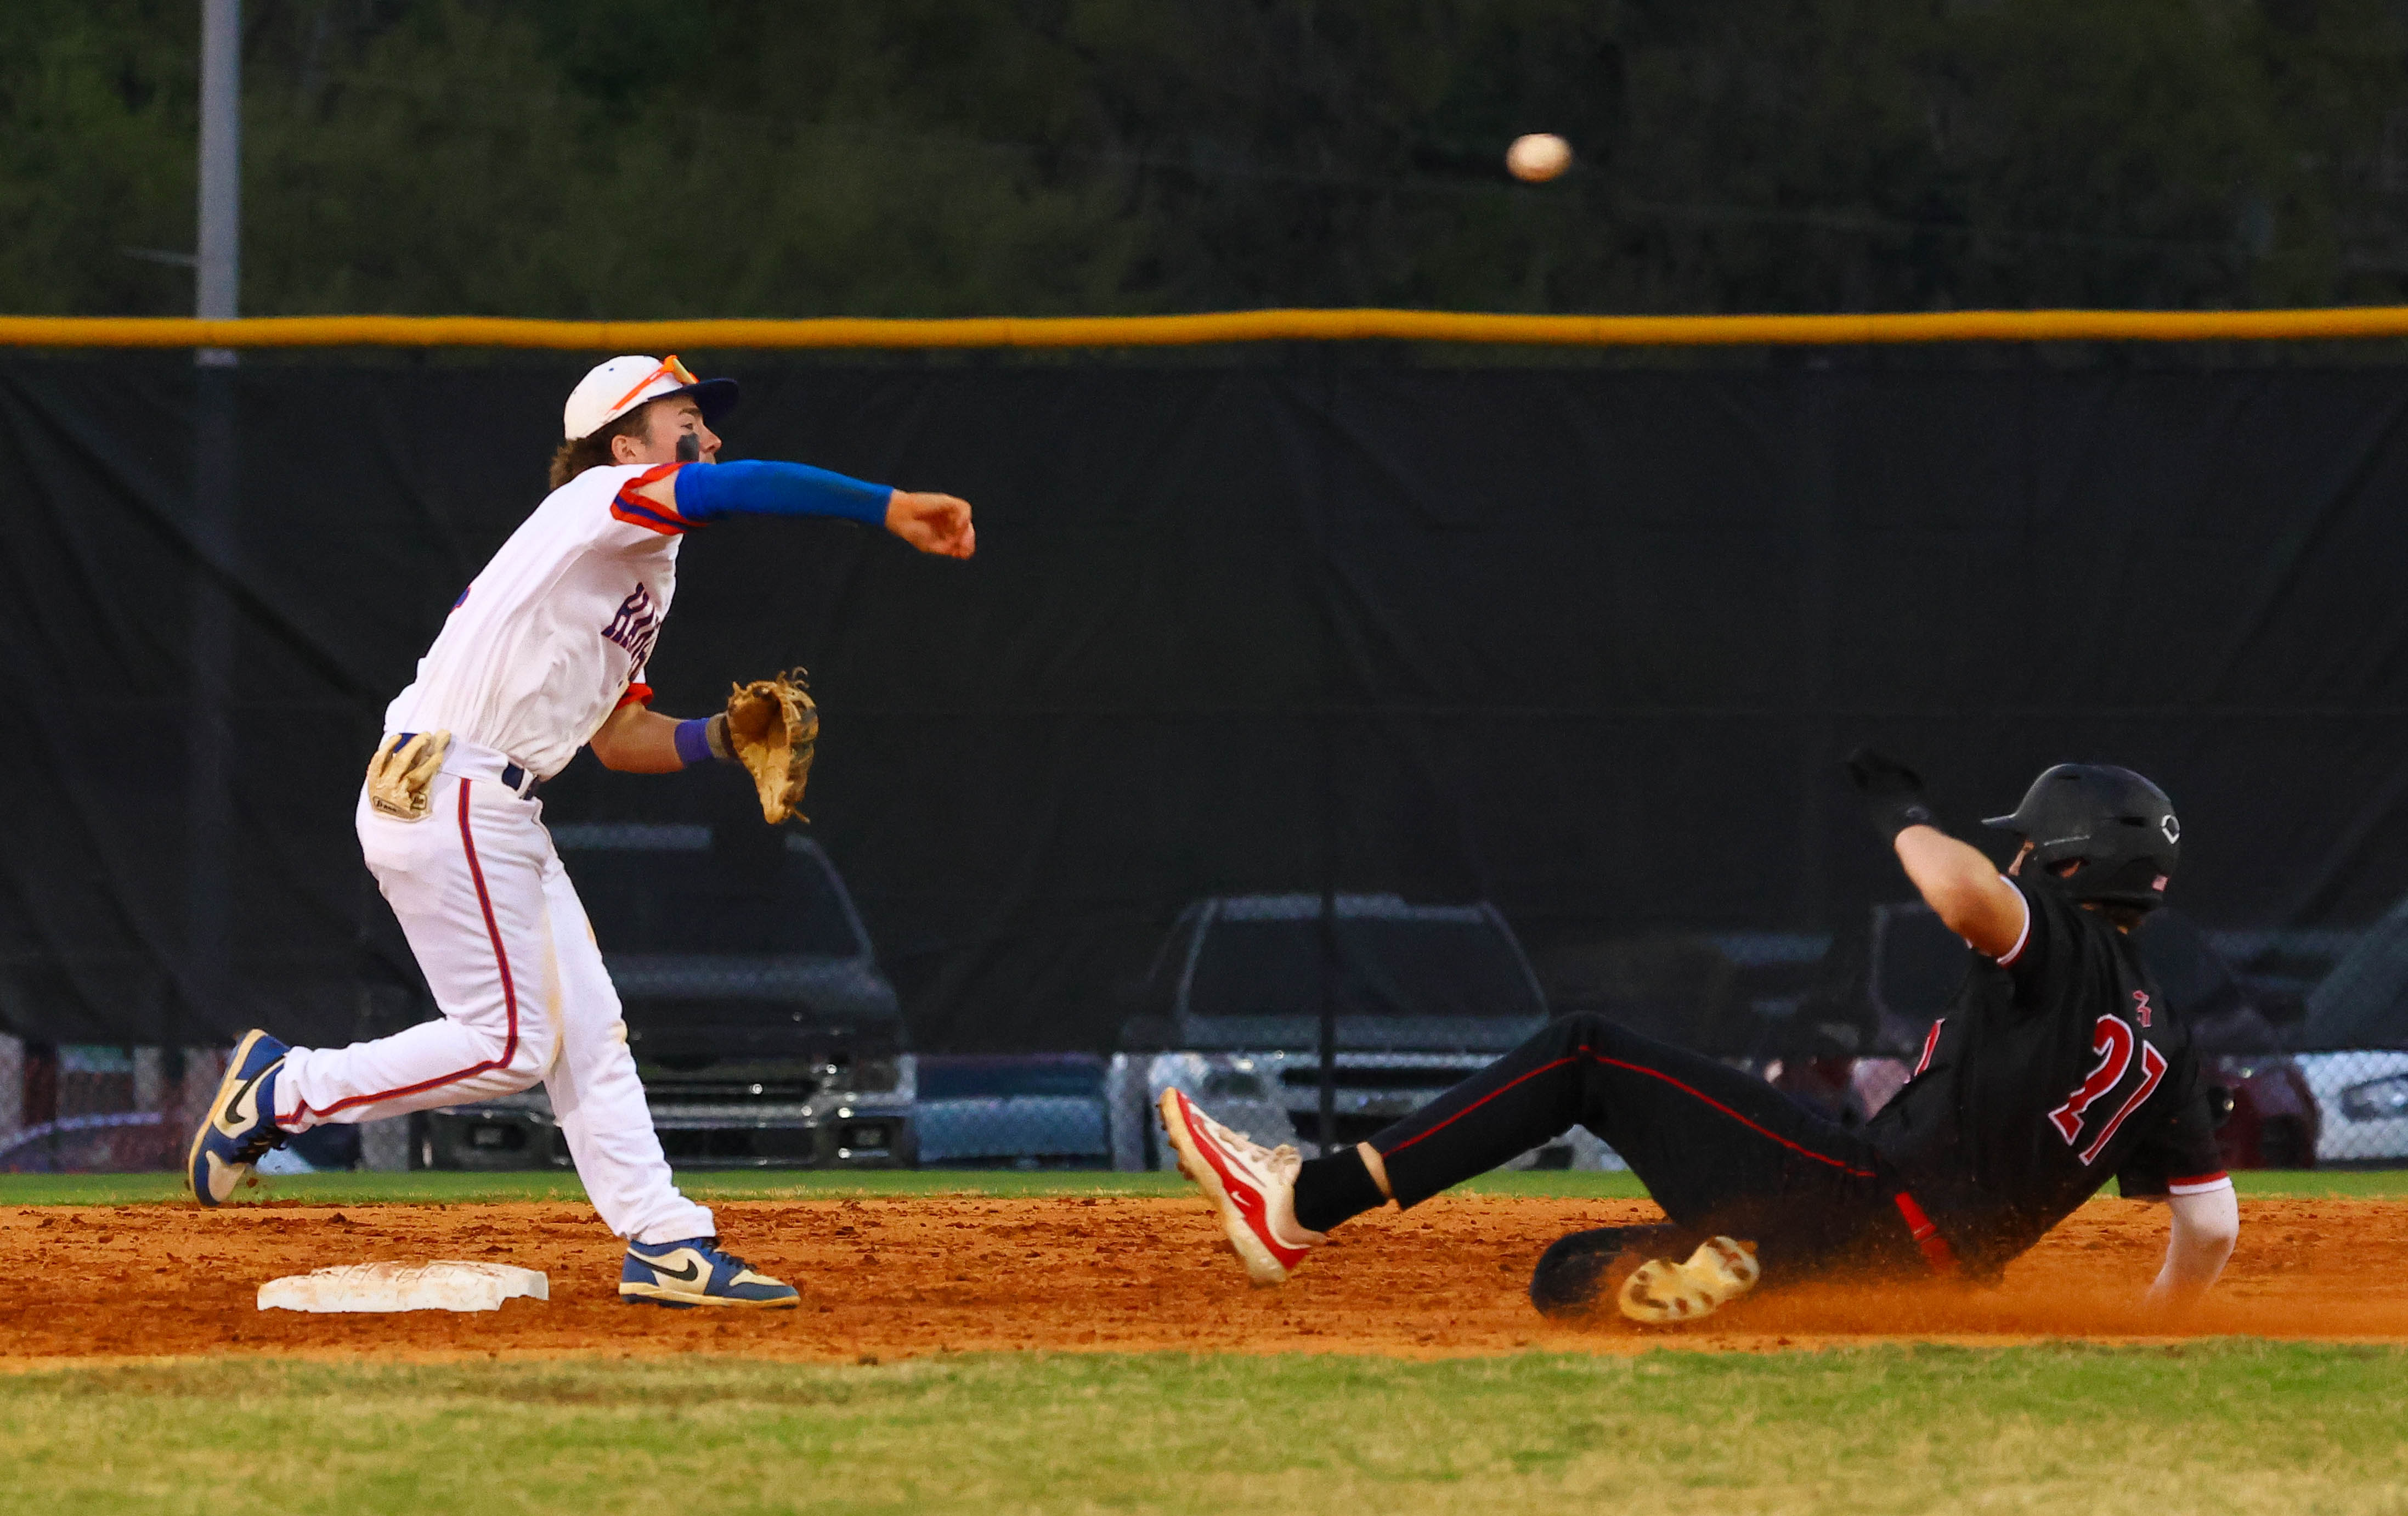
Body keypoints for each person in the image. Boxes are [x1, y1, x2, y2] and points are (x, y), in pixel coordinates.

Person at [186, 354, 974, 1309]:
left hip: (495, 801)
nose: (710, 436)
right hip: (451, 781)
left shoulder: (636, 565)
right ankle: (282, 1091)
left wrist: (723, 737)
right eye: (687, 418)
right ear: (624, 440)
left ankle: (665, 1242)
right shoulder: (603, 500)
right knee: (511, 1044)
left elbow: (620, 739)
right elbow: (745, 486)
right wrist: (885, 506)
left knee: (588, 1028)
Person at [1160, 752, 2240, 1325]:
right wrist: (2147, 1328)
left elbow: (1963, 898)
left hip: (1862, 1194)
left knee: (1584, 1052)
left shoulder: (2057, 939)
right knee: (1568, 1278)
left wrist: (1902, 815)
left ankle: (1301, 1205)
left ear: (2064, 868)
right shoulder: (2170, 1043)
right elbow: (2209, 1230)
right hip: (1928, 1273)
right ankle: (1752, 1266)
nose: (2006, 862)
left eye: (2024, 850)